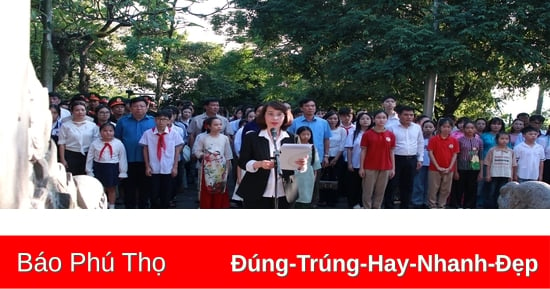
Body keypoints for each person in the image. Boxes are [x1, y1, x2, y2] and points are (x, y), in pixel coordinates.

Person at [236, 101, 308, 209]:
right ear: (263, 116)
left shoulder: (293, 138)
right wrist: (258, 164)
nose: (275, 118)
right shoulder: (251, 137)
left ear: (285, 117)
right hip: (255, 190)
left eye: (279, 114)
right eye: (270, 114)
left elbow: (299, 167)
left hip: (286, 191)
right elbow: (242, 162)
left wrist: (302, 165)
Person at [287, 98, 331, 207]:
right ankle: (293, 205)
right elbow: (289, 139)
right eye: (307, 106)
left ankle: (312, 205)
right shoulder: (294, 122)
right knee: (295, 185)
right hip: (296, 160)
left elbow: (326, 139)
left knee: (314, 184)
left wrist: (326, 155)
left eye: (313, 105)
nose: (310, 108)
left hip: (316, 158)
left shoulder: (323, 122)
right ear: (302, 108)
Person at [115, 96, 155, 209]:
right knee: (129, 189)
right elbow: (117, 139)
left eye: (142, 106)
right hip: (127, 159)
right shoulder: (122, 121)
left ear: (147, 107)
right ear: (130, 108)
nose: (139, 109)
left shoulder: (152, 121)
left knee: (145, 189)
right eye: (135, 106)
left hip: (147, 161)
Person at [139, 109, 184, 209]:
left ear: (169, 121)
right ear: (155, 120)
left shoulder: (174, 133)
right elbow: (145, 149)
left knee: (166, 193)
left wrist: (175, 166)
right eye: (159, 119)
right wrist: (147, 166)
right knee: (153, 193)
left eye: (164, 119)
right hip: (154, 167)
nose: (161, 122)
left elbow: (177, 150)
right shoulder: (148, 133)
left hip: (168, 167)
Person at [385, 105, 423, 209]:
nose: (409, 117)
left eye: (411, 115)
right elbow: (388, 147)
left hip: (411, 159)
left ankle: (404, 207)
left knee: (408, 185)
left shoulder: (417, 127)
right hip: (396, 159)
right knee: (392, 184)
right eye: (406, 115)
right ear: (400, 115)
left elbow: (420, 143)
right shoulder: (391, 128)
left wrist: (420, 159)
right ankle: (389, 206)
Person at [193, 117, 233, 209]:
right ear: (208, 126)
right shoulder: (203, 138)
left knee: (220, 189)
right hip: (207, 167)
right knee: (207, 188)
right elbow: (197, 151)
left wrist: (227, 168)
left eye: (220, 124)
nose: (219, 126)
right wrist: (206, 155)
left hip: (221, 167)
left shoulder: (225, 138)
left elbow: (228, 154)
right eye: (215, 125)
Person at [86, 123, 128, 209]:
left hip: (112, 168)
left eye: (110, 131)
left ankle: (111, 206)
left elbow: (122, 158)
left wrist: (123, 171)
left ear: (114, 132)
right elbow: (90, 157)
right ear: (100, 132)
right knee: (99, 188)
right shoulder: (95, 143)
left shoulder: (118, 143)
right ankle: (100, 205)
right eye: (105, 131)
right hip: (99, 167)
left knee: (111, 188)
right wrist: (89, 170)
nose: (108, 133)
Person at [359, 110, 396, 209]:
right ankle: (367, 208)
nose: (381, 120)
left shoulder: (390, 135)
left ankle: (377, 208)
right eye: (379, 117)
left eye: (384, 118)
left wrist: (393, 168)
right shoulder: (367, 134)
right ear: (374, 119)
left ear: (387, 120)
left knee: (380, 192)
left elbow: (392, 152)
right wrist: (361, 168)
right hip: (369, 167)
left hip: (385, 167)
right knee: (367, 191)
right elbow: (363, 151)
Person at [57, 100, 99, 175]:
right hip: (70, 155)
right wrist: (63, 160)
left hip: (88, 155)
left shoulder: (92, 126)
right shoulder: (65, 125)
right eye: (77, 110)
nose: (80, 112)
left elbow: (95, 142)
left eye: (82, 110)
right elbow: (61, 144)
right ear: (72, 112)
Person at [427, 118, 459, 208]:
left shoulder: (454, 140)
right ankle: (432, 205)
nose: (446, 129)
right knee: (433, 189)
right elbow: (430, 153)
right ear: (439, 127)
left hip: (449, 169)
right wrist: (437, 166)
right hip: (434, 169)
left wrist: (449, 167)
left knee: (446, 189)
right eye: (444, 126)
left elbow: (455, 155)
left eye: (449, 127)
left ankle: (442, 205)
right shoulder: (433, 139)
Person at [344, 112, 372, 208]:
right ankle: (353, 204)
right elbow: (349, 148)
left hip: (370, 165)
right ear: (358, 121)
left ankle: (363, 204)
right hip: (355, 163)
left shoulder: (373, 133)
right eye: (363, 119)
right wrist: (349, 163)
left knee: (366, 187)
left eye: (367, 119)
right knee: (354, 185)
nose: (365, 121)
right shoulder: (353, 133)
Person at [453, 120, 483, 209]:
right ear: (464, 129)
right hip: (461, 166)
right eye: (467, 128)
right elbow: (456, 156)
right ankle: (457, 205)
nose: (470, 130)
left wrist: (481, 172)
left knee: (472, 188)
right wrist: (455, 171)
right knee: (459, 187)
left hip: (474, 165)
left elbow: (480, 156)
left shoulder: (479, 141)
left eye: (472, 128)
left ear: (475, 129)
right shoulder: (459, 140)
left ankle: (469, 206)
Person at [320, 111, 346, 207]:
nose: (332, 120)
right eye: (330, 118)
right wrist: (325, 157)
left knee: (335, 178)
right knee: (323, 177)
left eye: (335, 118)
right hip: (324, 156)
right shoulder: (322, 129)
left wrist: (336, 158)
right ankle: (323, 199)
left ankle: (333, 199)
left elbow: (342, 145)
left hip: (337, 157)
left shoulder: (341, 130)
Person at [484, 133, 517, 208]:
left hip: (505, 175)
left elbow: (513, 165)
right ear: (497, 140)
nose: (504, 141)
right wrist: (488, 174)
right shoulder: (492, 150)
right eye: (502, 139)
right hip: (494, 175)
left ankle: (499, 207)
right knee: (491, 192)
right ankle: (490, 207)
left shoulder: (511, 151)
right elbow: (488, 163)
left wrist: (511, 176)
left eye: (506, 139)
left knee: (502, 192)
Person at [294, 126, 321, 208]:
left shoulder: (312, 147)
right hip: (295, 174)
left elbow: (316, 164)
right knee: (294, 197)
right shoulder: (293, 146)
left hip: (308, 175)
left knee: (306, 197)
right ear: (298, 135)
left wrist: (315, 177)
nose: (306, 136)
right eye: (303, 134)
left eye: (308, 134)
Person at [411, 120, 435, 208]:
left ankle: (427, 201)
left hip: (433, 165)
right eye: (426, 127)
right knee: (418, 183)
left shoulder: (436, 139)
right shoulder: (419, 139)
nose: (428, 129)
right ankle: (417, 201)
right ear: (422, 128)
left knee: (429, 184)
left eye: (430, 127)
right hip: (420, 164)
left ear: (434, 128)